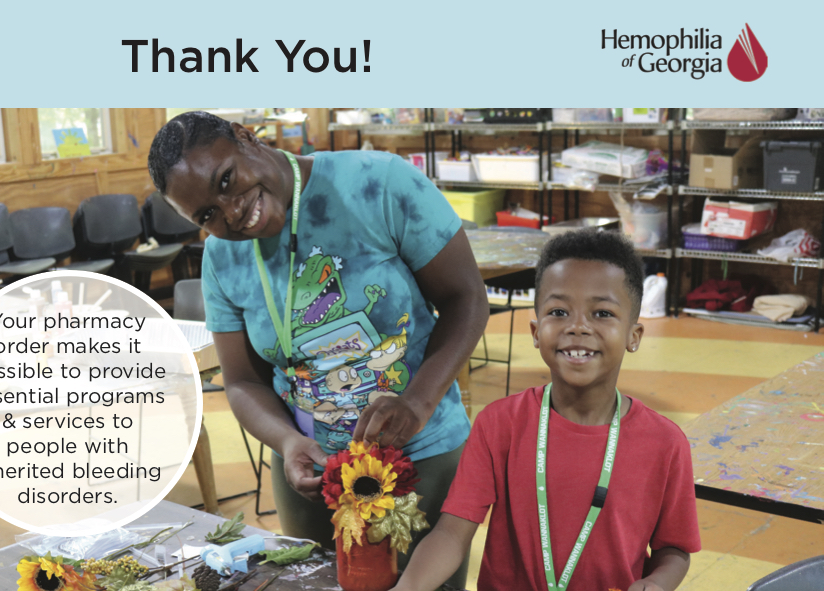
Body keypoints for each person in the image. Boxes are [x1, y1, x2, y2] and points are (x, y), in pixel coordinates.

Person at [147, 111, 489, 587]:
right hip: (312, 477)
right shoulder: (223, 259)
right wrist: (287, 442)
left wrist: (417, 403)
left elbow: (466, 299)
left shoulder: (378, 184)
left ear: (246, 138)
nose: (231, 213)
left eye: (226, 181)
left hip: (421, 456)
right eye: (206, 216)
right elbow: (242, 382)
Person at [392, 229, 701, 591]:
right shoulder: (500, 424)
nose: (578, 327)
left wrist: (658, 583)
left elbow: (674, 549)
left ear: (634, 335)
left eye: (602, 313)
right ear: (536, 331)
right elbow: (451, 532)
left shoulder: (665, 443)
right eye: (559, 312)